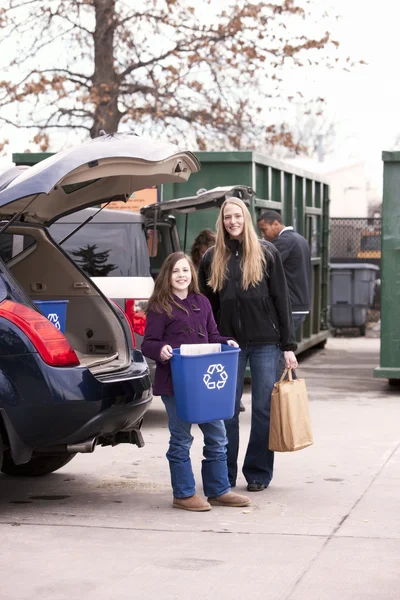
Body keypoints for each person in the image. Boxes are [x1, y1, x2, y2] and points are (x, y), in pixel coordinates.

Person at [198, 198, 298, 492]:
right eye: (227, 217)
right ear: (222, 221)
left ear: (246, 218)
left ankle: (257, 472)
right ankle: (224, 475)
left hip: (266, 342)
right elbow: (207, 307)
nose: (232, 221)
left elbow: (282, 299)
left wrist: (288, 345)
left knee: (263, 409)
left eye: (237, 215)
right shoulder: (210, 259)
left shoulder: (266, 252)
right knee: (226, 410)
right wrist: (208, 342)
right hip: (228, 344)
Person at [141, 251, 251, 512]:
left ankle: (218, 490)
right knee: (181, 439)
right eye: (176, 271)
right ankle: (184, 493)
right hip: (177, 385)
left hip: (204, 384)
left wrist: (227, 341)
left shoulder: (201, 302)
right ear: (167, 276)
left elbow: (213, 335)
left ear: (192, 275)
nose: (181, 275)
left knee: (218, 436)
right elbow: (148, 343)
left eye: (186, 270)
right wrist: (161, 350)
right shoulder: (160, 306)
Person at [257, 210, 311, 380]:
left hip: (291, 306)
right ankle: (289, 391)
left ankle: (280, 394)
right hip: (300, 304)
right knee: (283, 351)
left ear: (276, 224)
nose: (263, 235)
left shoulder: (284, 241)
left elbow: (261, 262)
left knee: (280, 352)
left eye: (264, 230)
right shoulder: (300, 239)